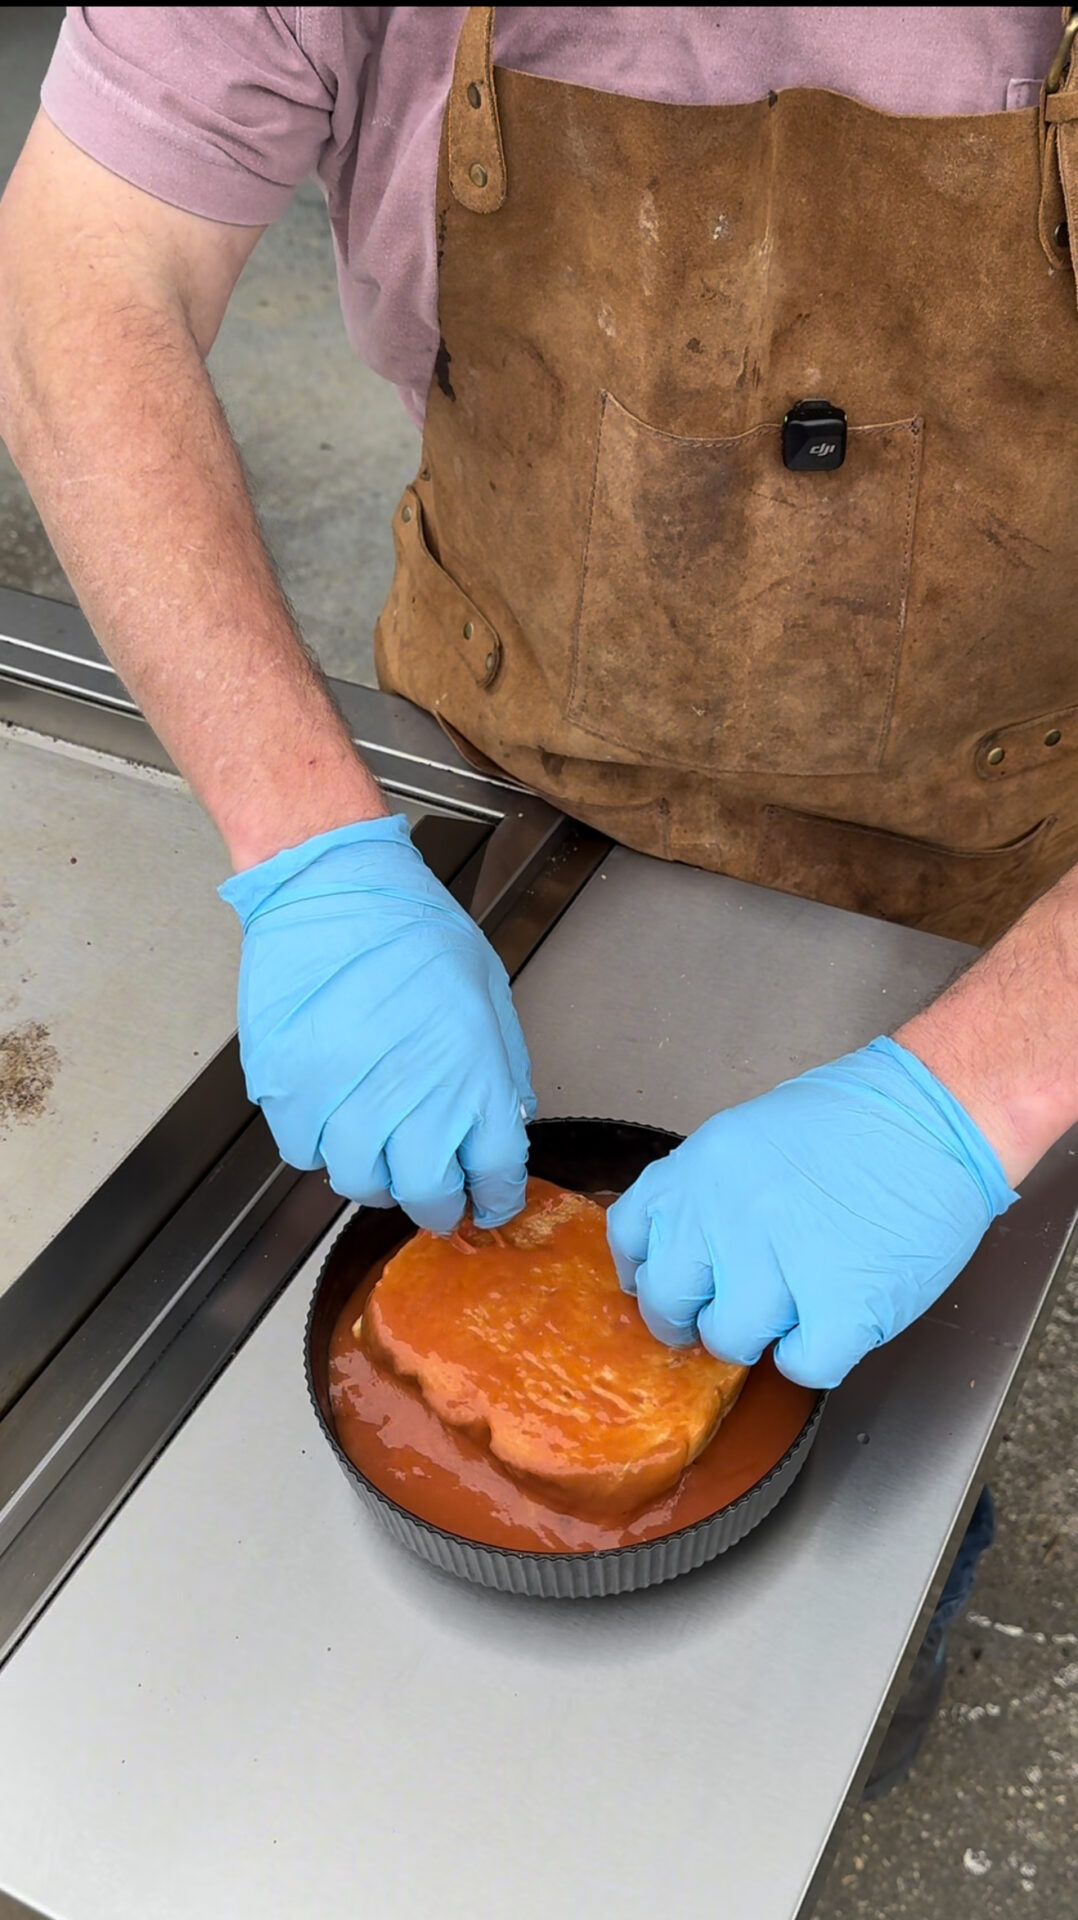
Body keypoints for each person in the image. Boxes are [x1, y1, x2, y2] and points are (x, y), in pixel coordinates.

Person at [1, 7, 1076, 1792]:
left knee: (866, 1507)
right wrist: (310, 851)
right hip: (500, 779)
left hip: (996, 831)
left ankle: (865, 1674)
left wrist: (983, 1090)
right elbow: (80, 270)